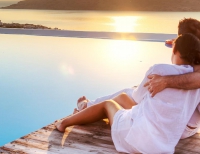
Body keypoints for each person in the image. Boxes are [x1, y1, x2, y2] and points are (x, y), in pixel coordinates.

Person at [56, 33, 200, 154]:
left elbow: (137, 97)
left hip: (134, 140)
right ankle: (85, 109)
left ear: (176, 51)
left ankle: (63, 123)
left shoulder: (159, 70)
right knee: (123, 97)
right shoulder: (196, 84)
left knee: (108, 104)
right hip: (163, 148)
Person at [77, 18, 200, 139]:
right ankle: (89, 107)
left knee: (129, 93)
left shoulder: (187, 70)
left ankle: (87, 107)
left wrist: (164, 81)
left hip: (176, 128)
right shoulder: (194, 60)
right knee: (140, 91)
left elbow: (137, 97)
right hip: (189, 128)